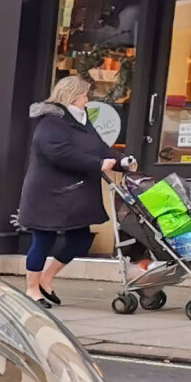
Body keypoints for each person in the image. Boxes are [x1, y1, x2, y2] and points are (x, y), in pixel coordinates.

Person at [18, 72, 118, 306]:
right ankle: (32, 290)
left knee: (81, 238)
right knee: (43, 239)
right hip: (47, 194)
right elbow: (59, 153)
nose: (87, 99)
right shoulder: (51, 121)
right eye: (84, 95)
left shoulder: (82, 120)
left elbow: (99, 147)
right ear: (72, 96)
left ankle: (46, 278)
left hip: (72, 194)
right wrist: (97, 164)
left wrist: (122, 161)